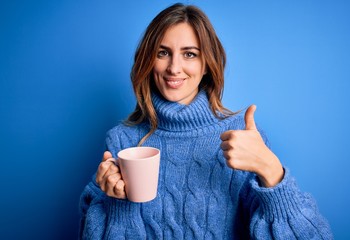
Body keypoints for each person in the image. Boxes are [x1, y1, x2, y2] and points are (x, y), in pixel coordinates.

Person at [79, 3, 333, 239]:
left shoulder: (240, 137)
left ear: (207, 65)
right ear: (148, 60)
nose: (174, 68)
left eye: (189, 54)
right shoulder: (122, 139)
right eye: (163, 52)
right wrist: (117, 203)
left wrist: (271, 170)